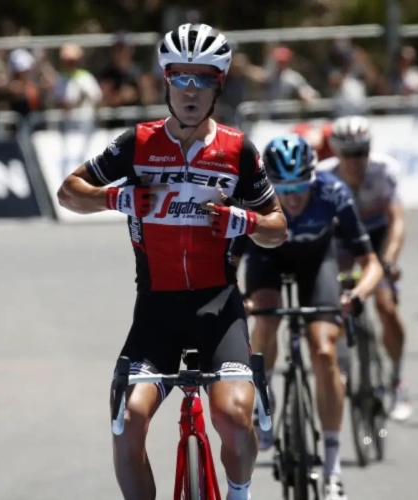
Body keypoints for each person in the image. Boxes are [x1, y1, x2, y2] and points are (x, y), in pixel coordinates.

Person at [56, 23, 288, 500]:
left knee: (233, 417)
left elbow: (277, 228)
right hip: (156, 311)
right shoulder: (136, 145)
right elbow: (69, 193)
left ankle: (239, 493)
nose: (189, 90)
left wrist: (240, 221)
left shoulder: (238, 150)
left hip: (218, 309)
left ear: (217, 86)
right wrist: (118, 200)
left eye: (202, 79)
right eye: (180, 77)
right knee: (127, 421)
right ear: (165, 81)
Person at [237, 134, 384, 500]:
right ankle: (264, 402)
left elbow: (372, 265)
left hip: (317, 263)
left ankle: (332, 468)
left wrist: (357, 294)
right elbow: (231, 263)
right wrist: (235, 299)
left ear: (313, 178)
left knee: (323, 350)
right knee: (266, 320)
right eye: (283, 188)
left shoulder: (333, 193)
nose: (293, 197)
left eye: (301, 186)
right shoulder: (250, 197)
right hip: (266, 260)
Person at [317, 115, 413, 422]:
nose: (356, 160)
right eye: (349, 154)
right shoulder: (323, 176)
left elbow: (397, 220)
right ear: (336, 153)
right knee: (339, 300)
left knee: (386, 306)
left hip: (376, 240)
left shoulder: (383, 171)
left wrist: (391, 260)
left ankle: (397, 380)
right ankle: (344, 362)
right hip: (343, 243)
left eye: (361, 152)